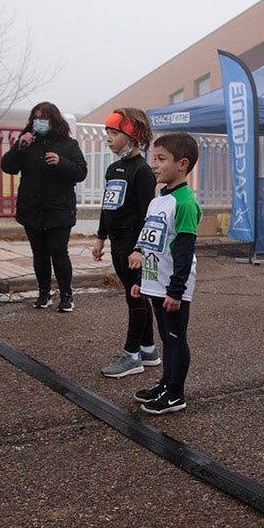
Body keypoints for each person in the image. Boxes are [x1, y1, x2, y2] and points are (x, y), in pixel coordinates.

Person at [128, 132, 202, 415]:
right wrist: (140, 281)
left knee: (174, 338)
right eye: (153, 159)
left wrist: (176, 290)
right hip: (155, 282)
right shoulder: (157, 200)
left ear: (182, 163)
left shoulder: (184, 202)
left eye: (161, 159)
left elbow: (184, 251)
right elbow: (147, 244)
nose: (154, 165)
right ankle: (166, 383)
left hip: (172, 287)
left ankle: (176, 394)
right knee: (165, 335)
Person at [93, 109, 162, 378]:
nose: (109, 139)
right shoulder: (113, 169)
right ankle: (148, 349)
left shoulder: (143, 171)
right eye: (107, 133)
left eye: (114, 133)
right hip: (117, 242)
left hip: (133, 245)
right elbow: (107, 206)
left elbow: (149, 213)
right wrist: (100, 237)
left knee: (136, 295)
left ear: (132, 136)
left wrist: (140, 249)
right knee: (135, 294)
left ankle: (131, 355)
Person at [0, 101, 88, 312]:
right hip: (32, 208)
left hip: (58, 209)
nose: (39, 122)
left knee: (58, 251)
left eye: (44, 118)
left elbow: (81, 171)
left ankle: (66, 295)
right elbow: (8, 167)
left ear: (54, 120)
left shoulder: (68, 145)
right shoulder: (28, 142)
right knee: (39, 253)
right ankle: (43, 293)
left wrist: (61, 162)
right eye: (36, 118)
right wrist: (20, 148)